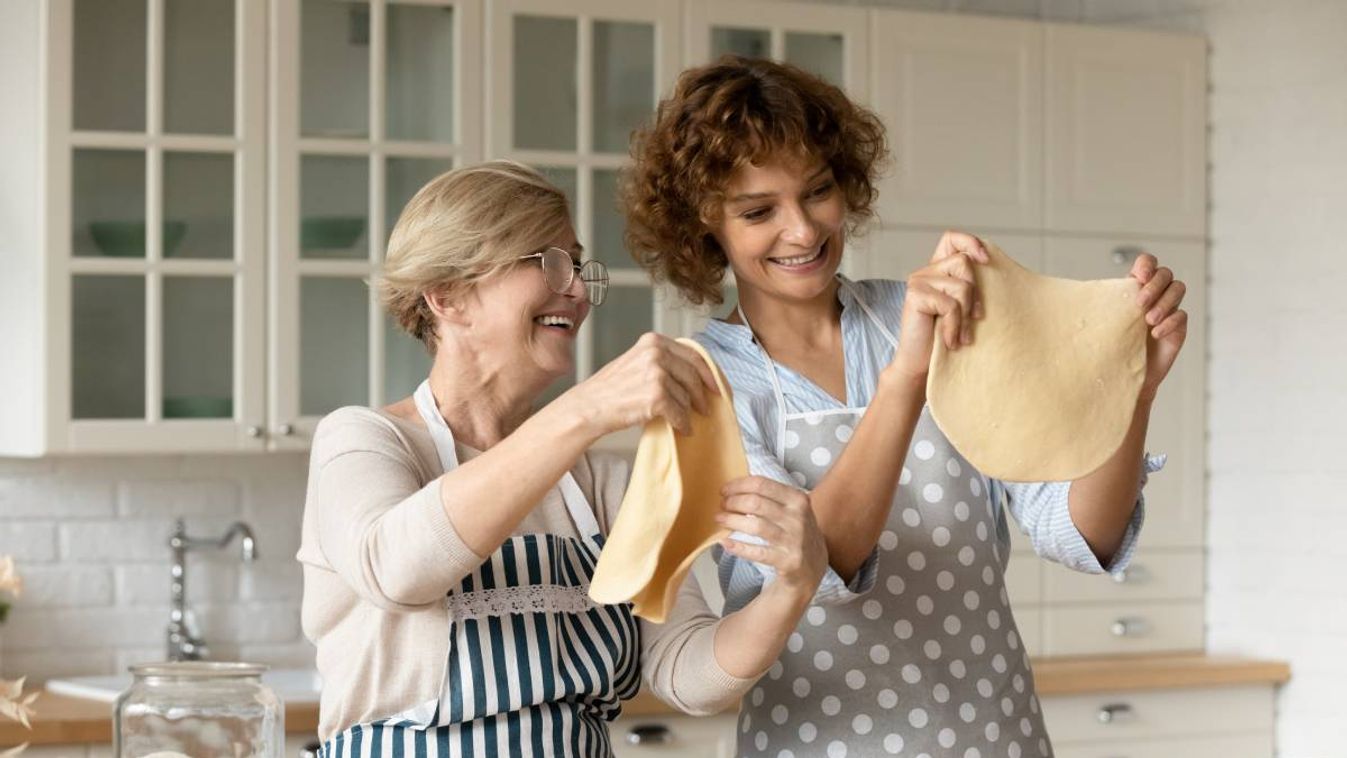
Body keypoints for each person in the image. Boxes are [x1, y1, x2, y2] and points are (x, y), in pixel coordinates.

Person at [622, 56, 1186, 757]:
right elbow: (815, 569)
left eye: (817, 192)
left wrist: (1130, 391)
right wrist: (906, 377)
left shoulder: (937, 315)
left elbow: (1077, 535)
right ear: (704, 223)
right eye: (758, 211)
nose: (801, 231)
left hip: (996, 737)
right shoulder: (700, 383)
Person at [297, 160, 829, 758]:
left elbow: (688, 674)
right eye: (547, 263)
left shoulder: (601, 483)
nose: (576, 290)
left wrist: (791, 586)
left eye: (577, 265)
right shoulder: (365, 442)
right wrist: (586, 409)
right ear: (448, 296)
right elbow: (397, 569)